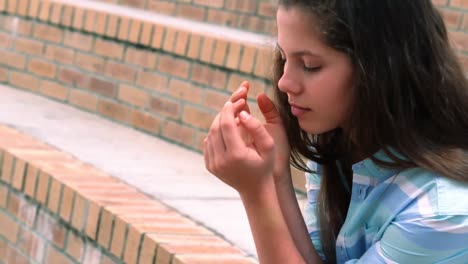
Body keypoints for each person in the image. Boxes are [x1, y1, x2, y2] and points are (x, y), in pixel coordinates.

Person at [203, 0, 468, 263]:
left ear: (380, 67)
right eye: (283, 57)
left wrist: (257, 195)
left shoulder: (441, 212)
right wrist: (276, 172)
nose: (284, 82)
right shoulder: (340, 147)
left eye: (309, 65)